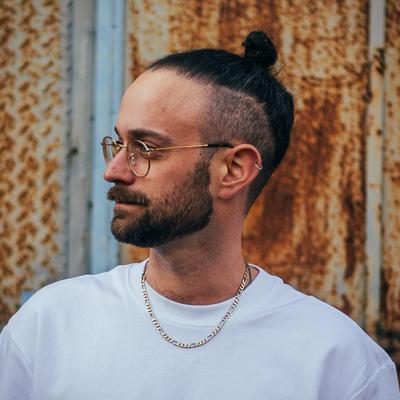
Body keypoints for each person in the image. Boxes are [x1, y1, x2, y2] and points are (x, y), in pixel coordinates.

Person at [0, 31, 399, 400]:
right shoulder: (51, 325)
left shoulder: (339, 363)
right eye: (119, 144)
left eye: (146, 148)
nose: (114, 171)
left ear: (234, 170)